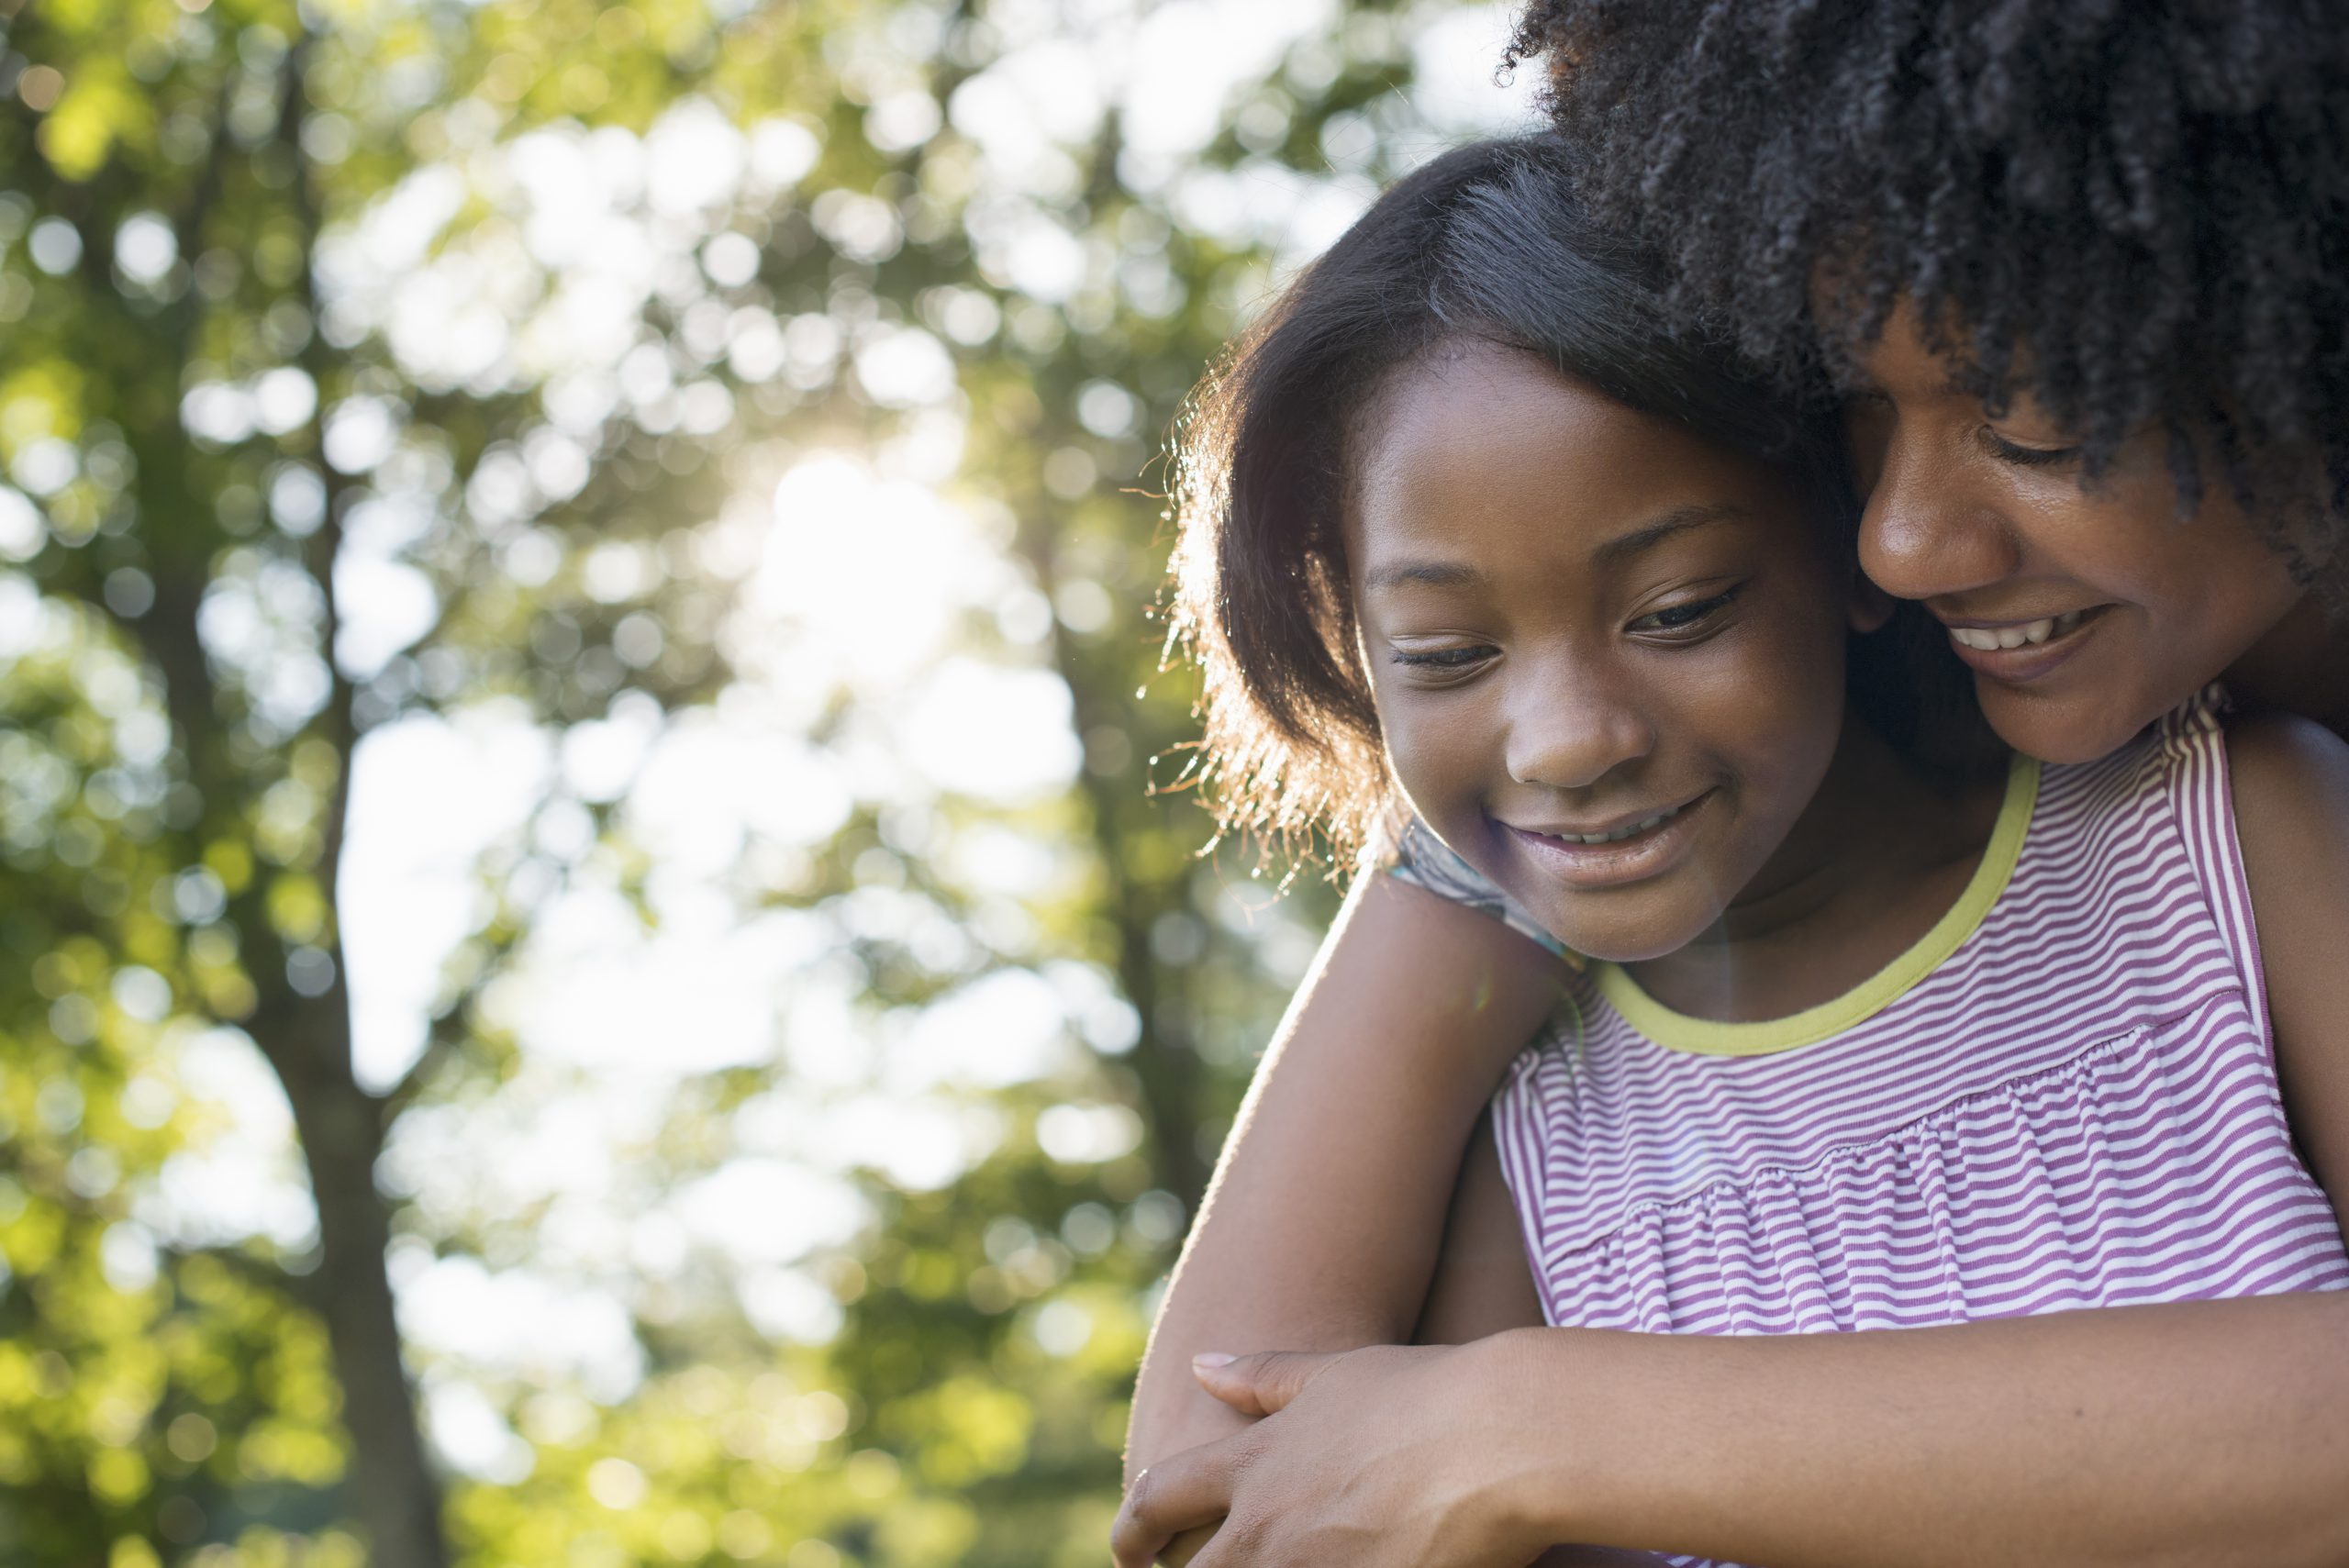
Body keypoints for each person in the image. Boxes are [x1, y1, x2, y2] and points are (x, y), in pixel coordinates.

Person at [1117, 127, 2349, 1568]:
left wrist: (1544, 1424)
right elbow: (1226, 1500)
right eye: (1445, 650)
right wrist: (1456, 876)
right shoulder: (1537, 1127)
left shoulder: (2227, 838)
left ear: (1849, 544)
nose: (1569, 738)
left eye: (1684, 608)